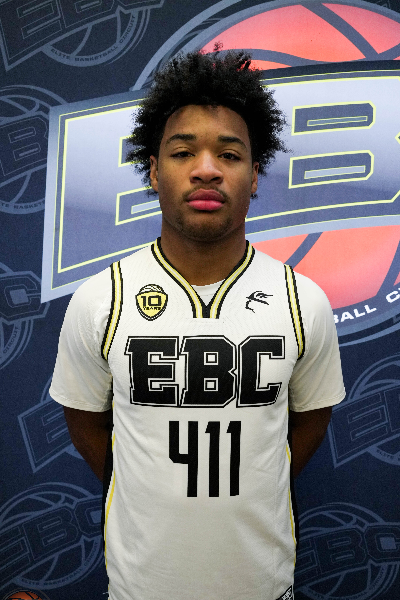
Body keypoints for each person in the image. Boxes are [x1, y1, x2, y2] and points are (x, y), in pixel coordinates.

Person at [50, 49, 345, 600]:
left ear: (254, 175)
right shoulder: (102, 298)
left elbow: (311, 419)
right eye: (183, 152)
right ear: (153, 171)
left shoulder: (302, 300)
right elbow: (85, 419)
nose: (206, 169)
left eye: (229, 154)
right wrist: (141, 481)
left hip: (262, 587)